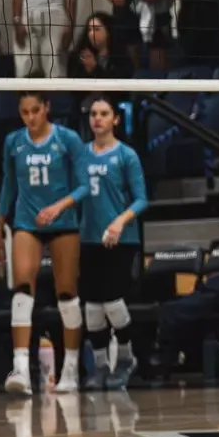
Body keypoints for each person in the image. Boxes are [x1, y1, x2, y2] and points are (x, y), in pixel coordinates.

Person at [0, 90, 89, 395]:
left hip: (63, 222)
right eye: (25, 112)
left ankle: (70, 369)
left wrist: (59, 207)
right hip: (27, 220)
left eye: (35, 110)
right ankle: (20, 369)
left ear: (47, 107)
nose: (30, 118)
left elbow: (85, 185)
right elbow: (9, 185)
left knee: (67, 294)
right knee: (22, 287)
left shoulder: (68, 139)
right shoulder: (13, 142)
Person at [78, 96, 145, 390]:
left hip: (121, 239)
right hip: (88, 237)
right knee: (92, 307)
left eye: (104, 113)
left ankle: (127, 358)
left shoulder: (126, 155)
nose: (97, 118)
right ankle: (101, 366)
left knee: (113, 302)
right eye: (93, 113)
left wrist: (119, 221)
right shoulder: (81, 154)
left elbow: (141, 199)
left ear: (115, 119)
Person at [67, 12, 131, 81]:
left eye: (97, 29)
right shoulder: (78, 56)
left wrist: (94, 68)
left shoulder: (121, 58)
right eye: (89, 30)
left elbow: (117, 85)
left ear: (108, 32)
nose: (91, 33)